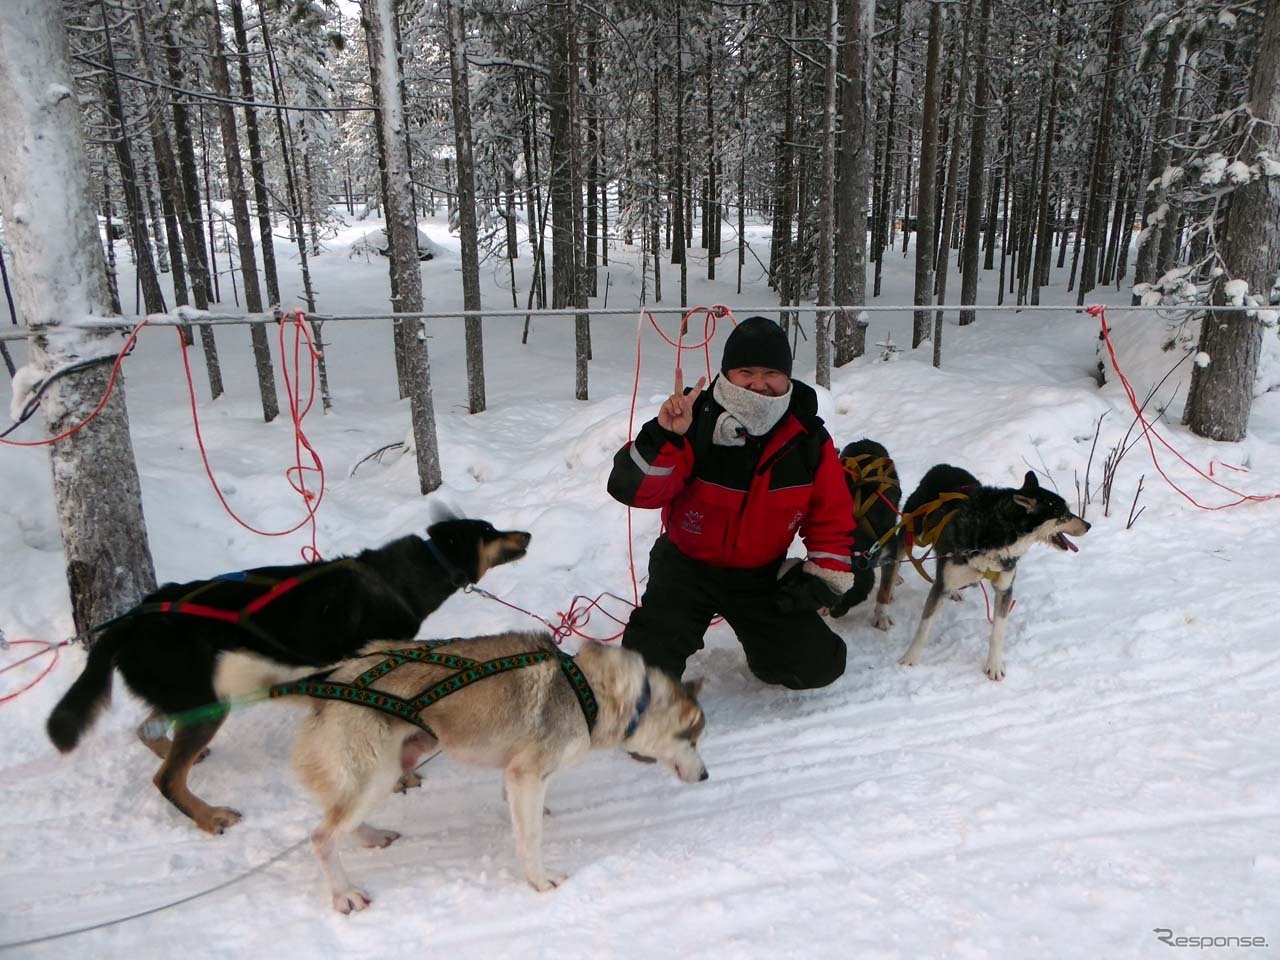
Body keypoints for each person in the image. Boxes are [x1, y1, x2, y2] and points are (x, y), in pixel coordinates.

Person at [607, 315, 857, 688]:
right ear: (727, 374)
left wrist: (823, 577)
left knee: (818, 665)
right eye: (746, 371)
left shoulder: (808, 440)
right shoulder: (695, 420)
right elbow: (633, 490)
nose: (759, 383)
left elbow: (831, 518)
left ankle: (765, 652)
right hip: (685, 568)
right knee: (638, 682)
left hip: (758, 575)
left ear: (787, 377)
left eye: (772, 372)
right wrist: (665, 437)